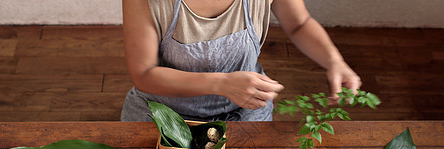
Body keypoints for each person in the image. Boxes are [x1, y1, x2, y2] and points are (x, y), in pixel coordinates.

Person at [121, 0, 361, 122]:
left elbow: (299, 24)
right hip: (161, 114)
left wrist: (334, 60)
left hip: (245, 112)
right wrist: (221, 84)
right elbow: (144, 74)